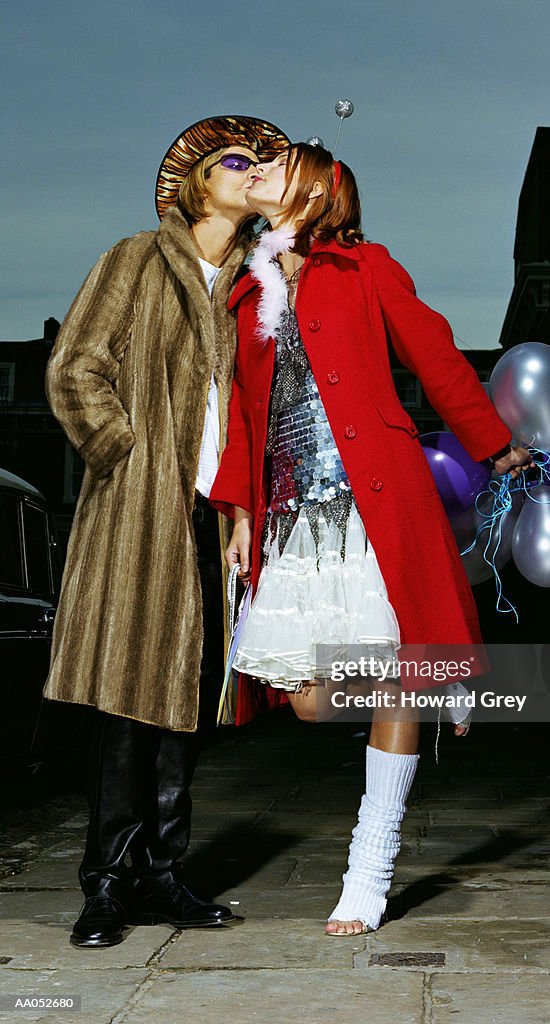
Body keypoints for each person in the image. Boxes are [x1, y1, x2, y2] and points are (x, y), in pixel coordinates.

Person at [209, 142, 533, 936]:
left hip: (375, 495)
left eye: (277, 165)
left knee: (390, 672)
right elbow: (248, 415)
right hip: (292, 510)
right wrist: (240, 513)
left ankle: (371, 861)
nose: (260, 171)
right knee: (312, 703)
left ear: (319, 191)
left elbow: (436, 354)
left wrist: (493, 441)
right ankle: (428, 673)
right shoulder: (245, 294)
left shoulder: (367, 267)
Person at [43, 115, 289, 948]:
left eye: (263, 165)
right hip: (136, 506)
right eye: (236, 160)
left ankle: (162, 874)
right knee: (127, 697)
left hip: (212, 518)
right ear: (193, 181)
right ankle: (106, 884)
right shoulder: (134, 259)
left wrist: (242, 510)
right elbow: (74, 366)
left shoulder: (258, 284)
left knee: (186, 697)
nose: (252, 169)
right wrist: (125, 451)